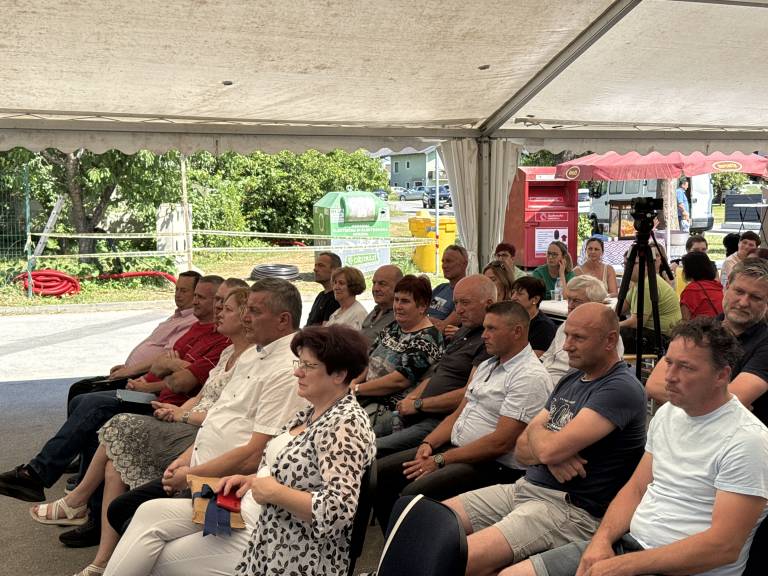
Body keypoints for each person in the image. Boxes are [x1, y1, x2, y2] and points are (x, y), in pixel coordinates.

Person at [103, 326, 376, 576]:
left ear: (340, 374)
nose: (297, 372)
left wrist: (273, 491)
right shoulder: (311, 412)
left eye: (308, 365)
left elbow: (338, 510)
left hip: (286, 541)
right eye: (299, 363)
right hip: (252, 510)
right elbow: (289, 470)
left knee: (158, 558)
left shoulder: (345, 424)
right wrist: (250, 480)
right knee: (149, 512)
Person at [506, 318, 768, 576]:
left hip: (682, 567)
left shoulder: (747, 441)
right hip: (632, 547)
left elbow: (723, 546)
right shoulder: (668, 414)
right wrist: (601, 541)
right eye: (669, 363)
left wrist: (624, 565)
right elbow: (637, 488)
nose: (669, 377)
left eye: (686, 367)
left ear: (721, 375)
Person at [33, 288, 253, 576]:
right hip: (196, 433)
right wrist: (178, 411)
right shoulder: (231, 353)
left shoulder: (261, 364)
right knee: (111, 457)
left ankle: (76, 500)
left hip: (208, 447)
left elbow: (230, 424)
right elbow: (199, 396)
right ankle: (102, 560)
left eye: (227, 307)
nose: (218, 310)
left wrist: (183, 421)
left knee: (115, 420)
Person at [0, 276, 229, 521]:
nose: (211, 306)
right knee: (82, 397)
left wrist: (158, 376)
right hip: (156, 393)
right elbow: (162, 364)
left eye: (219, 303)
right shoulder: (199, 328)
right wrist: (167, 367)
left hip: (164, 404)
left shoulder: (222, 344)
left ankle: (45, 478)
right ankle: (80, 492)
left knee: (96, 407)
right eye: (206, 298)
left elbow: (183, 382)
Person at [443, 303, 647, 576]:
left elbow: (544, 446)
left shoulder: (620, 388)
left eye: (578, 338)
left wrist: (545, 445)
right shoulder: (572, 378)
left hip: (569, 508)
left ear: (610, 340)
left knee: (456, 557)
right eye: (566, 335)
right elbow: (522, 447)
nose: (566, 346)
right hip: (525, 487)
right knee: (436, 524)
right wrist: (550, 455)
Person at [103, 278, 309, 544]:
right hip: (201, 467)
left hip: (227, 486)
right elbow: (218, 416)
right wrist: (186, 459)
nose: (246, 317)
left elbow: (256, 454)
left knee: (139, 525)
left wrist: (191, 476)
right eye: (245, 309)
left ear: (283, 320)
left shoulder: (288, 370)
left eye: (254, 311)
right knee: (121, 510)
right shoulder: (252, 354)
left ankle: (114, 556)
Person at [374, 301, 553, 531]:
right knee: (379, 473)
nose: (484, 335)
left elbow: (500, 443)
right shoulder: (488, 365)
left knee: (413, 496)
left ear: (517, 331)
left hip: (491, 465)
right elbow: (459, 413)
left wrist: (441, 459)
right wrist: (429, 444)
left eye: (491, 329)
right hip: (456, 449)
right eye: (485, 328)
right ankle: (395, 543)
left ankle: (414, 546)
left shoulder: (529, 376)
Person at [377, 275, 495, 456]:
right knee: (355, 435)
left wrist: (418, 404)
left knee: (368, 449)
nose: (458, 310)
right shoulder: (463, 331)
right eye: (456, 303)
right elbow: (437, 374)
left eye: (465, 303)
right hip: (416, 410)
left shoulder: (488, 341)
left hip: (441, 421)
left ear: (488, 304)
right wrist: (412, 399)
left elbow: (468, 394)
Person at [65, 271, 202, 410]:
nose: (178, 294)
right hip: (134, 373)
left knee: (83, 394)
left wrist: (131, 371)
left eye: (184, 291)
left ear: (196, 295)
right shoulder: (177, 316)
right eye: (177, 289)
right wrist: (128, 367)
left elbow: (166, 356)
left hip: (142, 377)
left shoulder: (191, 321)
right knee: (79, 390)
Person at [353, 274, 443, 436]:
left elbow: (399, 380)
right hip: (366, 395)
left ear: (422, 307)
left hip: (389, 408)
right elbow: (370, 360)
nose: (398, 306)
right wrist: (353, 383)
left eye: (405, 301)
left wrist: (357, 389)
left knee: (345, 431)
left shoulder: (427, 338)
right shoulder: (394, 326)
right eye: (396, 300)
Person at [539, 275, 624, 383]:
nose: (570, 305)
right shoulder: (566, 325)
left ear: (594, 303)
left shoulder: (606, 337)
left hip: (568, 383)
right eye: (569, 299)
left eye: (576, 301)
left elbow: (603, 375)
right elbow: (548, 355)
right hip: (544, 375)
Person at [619, 244, 682, 354]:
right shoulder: (639, 282)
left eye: (632, 263)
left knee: (611, 333)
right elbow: (620, 309)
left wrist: (611, 325)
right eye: (625, 264)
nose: (627, 267)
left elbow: (636, 323)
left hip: (662, 339)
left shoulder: (646, 284)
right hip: (657, 334)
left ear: (646, 264)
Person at [509, 276, 557, 357]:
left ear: (535, 299)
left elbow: (533, 359)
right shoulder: (510, 320)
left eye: (519, 294)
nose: (513, 297)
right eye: (513, 293)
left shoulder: (544, 327)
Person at [428, 244, 468, 333]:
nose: (444, 266)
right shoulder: (440, 288)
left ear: (464, 264)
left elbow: (444, 326)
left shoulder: (467, 293)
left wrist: (423, 320)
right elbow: (418, 312)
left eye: (449, 261)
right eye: (443, 261)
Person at [360, 264, 403, 343]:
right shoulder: (375, 311)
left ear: (398, 286)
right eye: (374, 283)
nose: (375, 289)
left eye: (382, 284)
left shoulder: (401, 318)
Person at [680, 250, 723, 319]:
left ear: (688, 270)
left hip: (704, 325)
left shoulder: (690, 291)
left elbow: (685, 321)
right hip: (721, 324)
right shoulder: (718, 286)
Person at [325, 266, 368, 330]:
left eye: (341, 283)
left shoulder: (358, 314)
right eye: (335, 283)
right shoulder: (336, 313)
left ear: (353, 286)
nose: (336, 287)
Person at [305, 251, 341, 326]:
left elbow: (325, 330)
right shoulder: (321, 296)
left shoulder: (336, 299)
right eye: (315, 265)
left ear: (335, 270)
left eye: (321, 266)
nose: (315, 269)